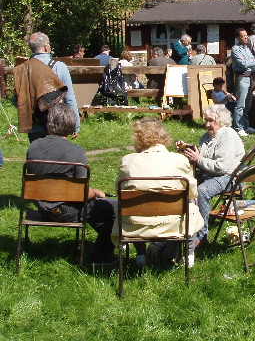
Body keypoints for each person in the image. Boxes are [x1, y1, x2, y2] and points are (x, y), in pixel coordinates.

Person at [26, 104, 117, 264]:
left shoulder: (34, 147)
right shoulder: (76, 152)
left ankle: (107, 238)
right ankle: (101, 256)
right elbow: (81, 194)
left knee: (97, 207)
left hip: (41, 205)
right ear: (71, 126)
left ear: (49, 123)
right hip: (65, 210)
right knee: (114, 207)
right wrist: (95, 192)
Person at [115, 117, 204, 269]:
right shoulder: (179, 160)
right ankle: (188, 255)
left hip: (136, 225)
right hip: (173, 223)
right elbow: (192, 192)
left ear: (137, 139)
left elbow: (119, 191)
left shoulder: (127, 161)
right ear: (164, 137)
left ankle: (141, 255)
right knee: (191, 204)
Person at [176, 104, 245, 247]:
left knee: (202, 191)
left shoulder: (228, 137)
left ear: (221, 120)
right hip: (211, 175)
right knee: (182, 184)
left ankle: (202, 237)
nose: (207, 124)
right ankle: (184, 228)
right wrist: (186, 149)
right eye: (205, 120)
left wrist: (198, 159)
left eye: (211, 121)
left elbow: (221, 167)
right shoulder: (207, 136)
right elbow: (203, 155)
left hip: (230, 177)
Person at [14, 32, 80, 142]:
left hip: (35, 124)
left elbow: (17, 99)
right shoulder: (59, 67)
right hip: (57, 123)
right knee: (57, 156)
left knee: (38, 156)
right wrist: (75, 124)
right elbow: (69, 98)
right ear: (46, 47)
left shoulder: (22, 69)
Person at [231, 28, 255, 136]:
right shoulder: (235, 49)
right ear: (238, 38)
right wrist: (250, 61)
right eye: (243, 36)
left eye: (246, 35)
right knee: (240, 104)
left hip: (250, 78)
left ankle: (246, 126)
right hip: (242, 78)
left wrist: (250, 61)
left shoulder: (247, 49)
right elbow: (243, 64)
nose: (246, 37)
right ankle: (238, 127)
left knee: (247, 104)